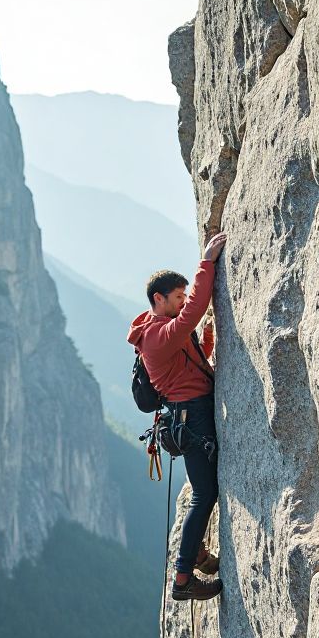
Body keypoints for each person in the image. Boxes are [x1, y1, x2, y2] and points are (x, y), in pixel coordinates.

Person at [127, 232, 227, 601]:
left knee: (204, 491)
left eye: (185, 295)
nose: (183, 301)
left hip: (188, 414)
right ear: (159, 299)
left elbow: (188, 357)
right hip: (192, 416)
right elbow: (192, 315)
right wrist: (207, 264)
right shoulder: (156, 336)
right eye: (178, 296)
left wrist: (209, 340)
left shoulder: (157, 329)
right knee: (205, 493)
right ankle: (183, 578)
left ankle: (195, 554)